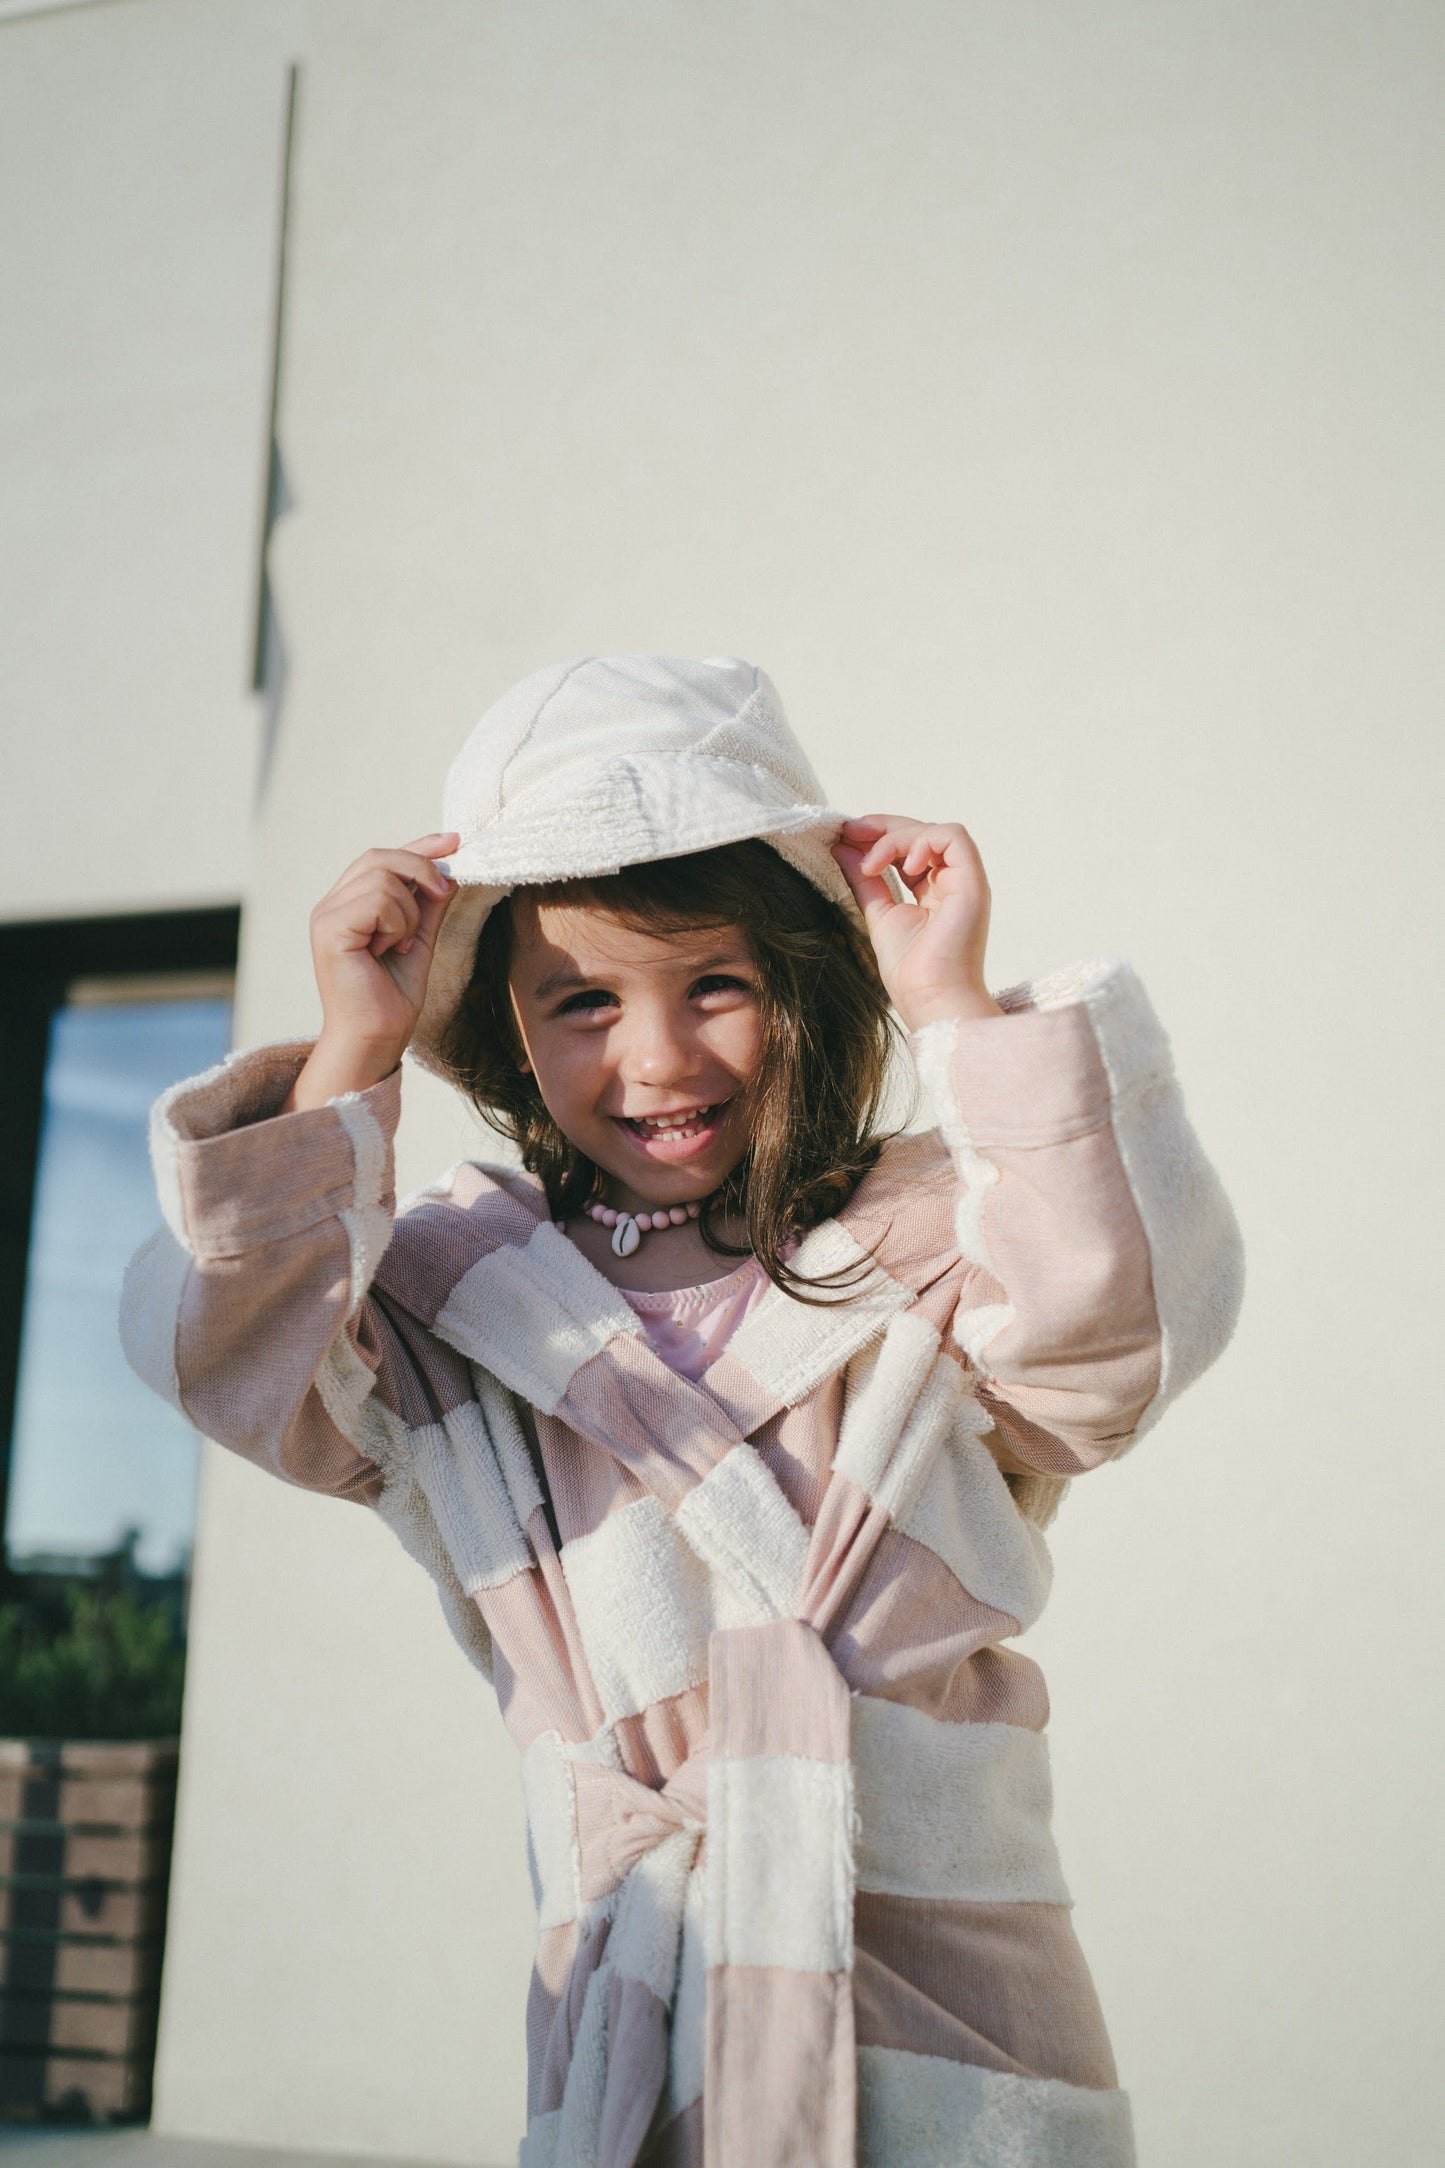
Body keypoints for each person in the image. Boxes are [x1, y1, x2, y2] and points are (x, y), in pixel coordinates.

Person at [122, 654, 1243, 2168]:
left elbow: (1111, 1353)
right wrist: (353, 1051)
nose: (653, 1059)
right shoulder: (454, 1305)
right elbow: (228, 1353)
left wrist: (953, 1001)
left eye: (715, 981)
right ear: (507, 1031)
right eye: (580, 1001)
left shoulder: (931, 1245)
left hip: (945, 1993)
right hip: (633, 1993)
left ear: (804, 980)